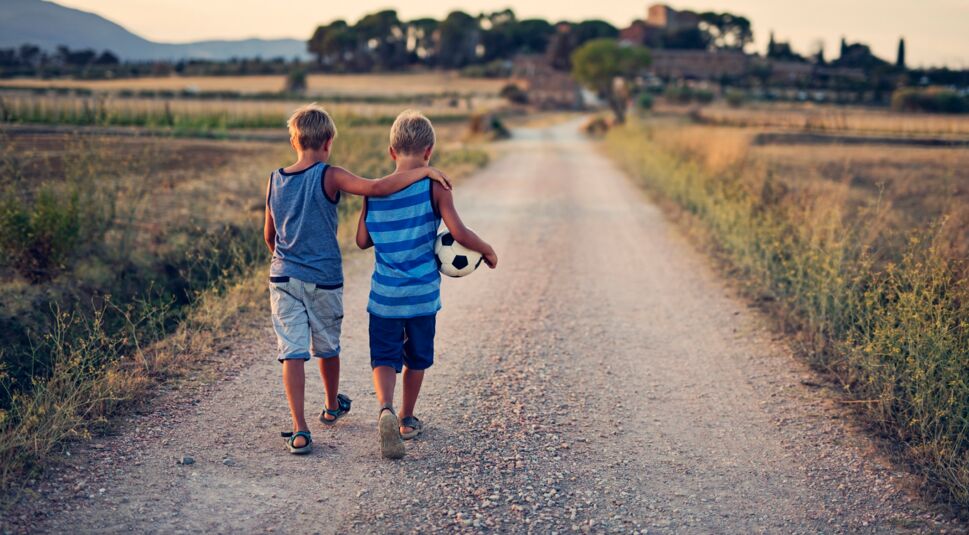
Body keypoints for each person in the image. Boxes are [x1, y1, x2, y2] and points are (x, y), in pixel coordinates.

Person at [265, 104, 453, 454]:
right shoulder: (330, 174)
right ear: (329, 141)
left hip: (282, 275)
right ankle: (333, 404)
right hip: (323, 278)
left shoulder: (275, 179)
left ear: (293, 140)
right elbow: (378, 187)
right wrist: (426, 172)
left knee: (291, 351)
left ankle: (300, 429)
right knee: (326, 346)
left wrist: (285, 259)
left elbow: (269, 234)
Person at [355, 110, 497, 459]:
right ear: (429, 151)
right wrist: (487, 250)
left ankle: (385, 407)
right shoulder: (435, 186)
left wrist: (368, 205)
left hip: (385, 295)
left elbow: (361, 240)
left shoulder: (375, 191)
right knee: (416, 358)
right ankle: (405, 419)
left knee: (384, 357)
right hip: (421, 294)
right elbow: (459, 232)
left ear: (392, 151)